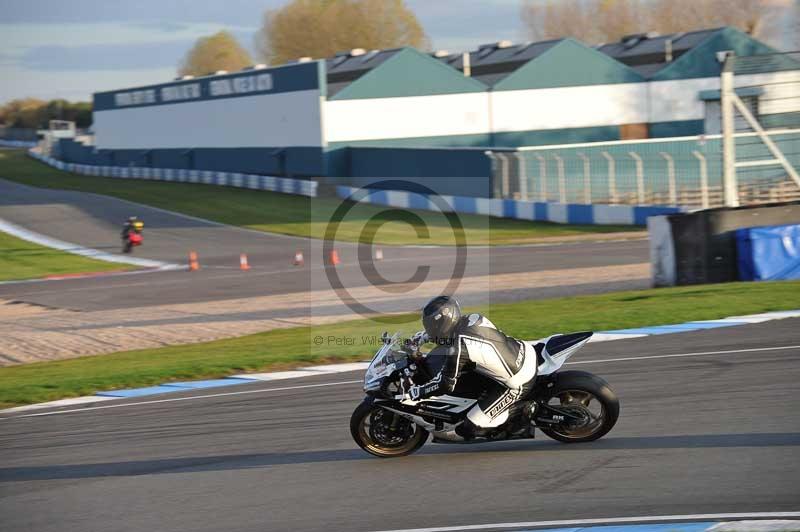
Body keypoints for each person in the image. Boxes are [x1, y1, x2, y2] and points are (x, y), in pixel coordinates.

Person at [405, 295, 538, 440]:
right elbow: (442, 334)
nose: (430, 330)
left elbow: (445, 384)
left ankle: (521, 412)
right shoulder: (472, 318)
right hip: (523, 350)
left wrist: (415, 393)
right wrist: (419, 339)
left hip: (519, 380)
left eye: (431, 326)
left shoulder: (459, 349)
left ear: (443, 324)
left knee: (469, 427)